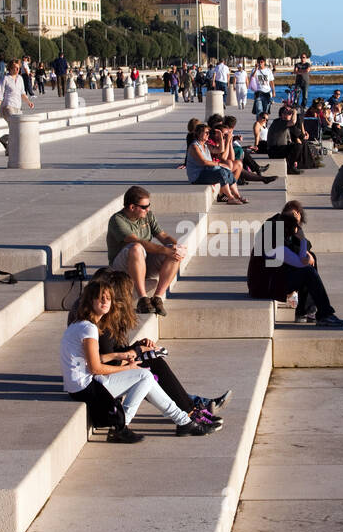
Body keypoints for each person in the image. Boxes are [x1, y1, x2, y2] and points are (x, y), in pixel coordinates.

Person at [77, 269, 230, 430]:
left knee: (153, 364)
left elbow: (116, 353)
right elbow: (105, 361)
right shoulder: (101, 326)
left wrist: (136, 348)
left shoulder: (108, 320)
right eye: (128, 293)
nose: (132, 297)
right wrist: (135, 352)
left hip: (107, 372)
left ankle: (190, 409)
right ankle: (190, 411)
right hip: (100, 380)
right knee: (152, 367)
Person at [61, 280, 212, 442]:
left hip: (80, 385)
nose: (105, 301)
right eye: (99, 298)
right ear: (90, 301)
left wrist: (119, 356)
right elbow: (95, 368)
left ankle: (184, 421)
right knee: (144, 376)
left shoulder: (80, 324)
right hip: (85, 388)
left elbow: (94, 359)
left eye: (108, 298)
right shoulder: (88, 328)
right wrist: (128, 368)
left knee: (145, 378)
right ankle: (122, 426)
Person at [247, 200, 343, 326]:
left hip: (270, 280)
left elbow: (299, 250)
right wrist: (303, 241)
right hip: (263, 287)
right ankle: (324, 314)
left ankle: (305, 311)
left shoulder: (280, 225)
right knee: (307, 271)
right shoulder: (275, 233)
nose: (297, 229)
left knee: (309, 263)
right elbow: (300, 261)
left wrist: (303, 243)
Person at [107, 185, 185, 315]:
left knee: (174, 253)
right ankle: (143, 299)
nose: (148, 209)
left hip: (142, 261)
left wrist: (178, 246)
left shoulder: (147, 215)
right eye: (144, 207)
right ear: (132, 207)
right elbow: (138, 242)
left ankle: (157, 298)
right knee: (137, 247)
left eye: (149, 205)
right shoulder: (117, 220)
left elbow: (163, 236)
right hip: (121, 267)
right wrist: (166, 250)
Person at [186, 122, 247, 204]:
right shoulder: (194, 146)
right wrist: (220, 164)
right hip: (197, 176)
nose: (208, 134)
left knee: (227, 170)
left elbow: (220, 150)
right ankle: (230, 198)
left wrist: (221, 137)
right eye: (206, 132)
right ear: (199, 133)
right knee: (221, 172)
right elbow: (203, 162)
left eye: (209, 133)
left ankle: (237, 196)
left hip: (206, 172)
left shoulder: (206, 145)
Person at [0, 58, 34, 123]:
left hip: (18, 107)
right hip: (8, 107)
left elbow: (22, 93)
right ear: (10, 68)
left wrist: (28, 102)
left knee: (18, 127)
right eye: (15, 68)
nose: (18, 69)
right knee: (14, 124)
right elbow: (0, 94)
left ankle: (10, 133)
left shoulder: (20, 78)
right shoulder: (5, 78)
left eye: (18, 68)